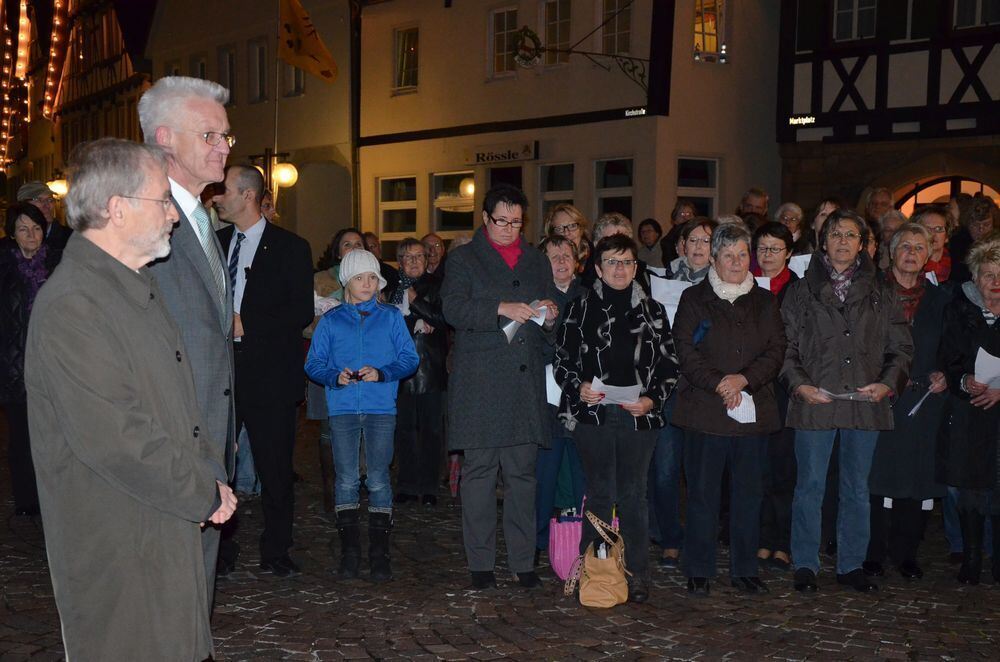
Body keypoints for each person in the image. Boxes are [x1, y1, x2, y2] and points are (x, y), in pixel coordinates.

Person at [25, 137, 237, 659]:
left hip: (162, 531)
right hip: (121, 544)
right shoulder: (74, 304)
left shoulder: (133, 286)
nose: (173, 215)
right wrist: (203, 492)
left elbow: (177, 407)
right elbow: (117, 438)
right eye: (163, 200)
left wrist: (208, 474)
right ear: (117, 209)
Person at [781, 209, 912, 593]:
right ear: (823, 241)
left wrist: (887, 385)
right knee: (809, 486)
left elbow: (901, 347)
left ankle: (851, 563)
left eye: (850, 235)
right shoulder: (801, 290)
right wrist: (800, 386)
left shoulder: (881, 290)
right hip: (814, 399)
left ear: (863, 244)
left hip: (863, 400)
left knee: (856, 487)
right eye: (835, 234)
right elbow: (785, 348)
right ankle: (805, 562)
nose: (842, 241)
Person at [140, 75, 237, 590]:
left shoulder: (199, 216)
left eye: (226, 136)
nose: (223, 146)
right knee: (164, 591)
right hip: (170, 440)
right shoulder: (142, 217)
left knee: (194, 586)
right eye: (209, 136)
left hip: (208, 433)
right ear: (164, 138)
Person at [441, 184, 559, 590]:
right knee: (478, 475)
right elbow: (452, 309)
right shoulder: (463, 259)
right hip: (480, 383)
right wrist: (499, 308)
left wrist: (550, 313)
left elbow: (547, 322)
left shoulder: (536, 260)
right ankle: (481, 563)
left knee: (523, 476)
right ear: (486, 219)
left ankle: (524, 562)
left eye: (517, 223)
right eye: (501, 222)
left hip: (523, 383)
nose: (509, 230)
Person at [554, 234, 678, 603]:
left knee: (633, 494)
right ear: (597, 268)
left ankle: (638, 573)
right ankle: (596, 569)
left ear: (636, 268)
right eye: (612, 262)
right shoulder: (579, 307)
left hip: (638, 416)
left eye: (626, 262)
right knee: (599, 492)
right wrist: (579, 387)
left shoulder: (653, 311)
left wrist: (653, 399)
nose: (620, 269)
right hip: (593, 412)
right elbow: (563, 359)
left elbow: (670, 363)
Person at [671, 224, 786, 595]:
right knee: (703, 494)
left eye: (741, 255)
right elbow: (684, 350)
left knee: (749, 494)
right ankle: (699, 568)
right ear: (714, 259)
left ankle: (745, 568)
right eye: (728, 255)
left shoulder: (765, 301)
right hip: (705, 411)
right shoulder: (693, 299)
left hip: (752, 413)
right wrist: (720, 382)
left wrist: (743, 380)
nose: (736, 262)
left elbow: (776, 350)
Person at [214, 165, 314, 576]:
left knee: (274, 469)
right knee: (218, 466)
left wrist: (247, 324)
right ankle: (218, 550)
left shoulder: (290, 247)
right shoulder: (214, 244)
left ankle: (276, 549)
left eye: (225, 190)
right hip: (222, 373)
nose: (217, 197)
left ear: (248, 196)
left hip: (269, 375)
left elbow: (300, 311)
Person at [306, 249, 418, 581]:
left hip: (381, 408)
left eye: (372, 278)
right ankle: (350, 552)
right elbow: (313, 363)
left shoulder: (391, 317)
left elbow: (409, 359)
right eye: (360, 278)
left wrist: (383, 373)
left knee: (380, 477)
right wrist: (333, 376)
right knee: (346, 479)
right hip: (342, 408)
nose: (367, 284)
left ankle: (379, 553)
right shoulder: (331, 320)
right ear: (346, 283)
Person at [865, 223, 949, 580]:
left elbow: (954, 347)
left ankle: (906, 554)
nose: (912, 253)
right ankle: (872, 552)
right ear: (891, 251)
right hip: (880, 397)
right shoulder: (870, 293)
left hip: (924, 401)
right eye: (905, 246)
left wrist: (947, 372)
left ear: (929, 255)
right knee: (876, 477)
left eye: (920, 247)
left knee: (917, 479)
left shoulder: (943, 299)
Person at [938, 236, 1000, 585]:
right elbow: (949, 354)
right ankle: (972, 557)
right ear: (975, 277)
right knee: (970, 486)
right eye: (987, 274)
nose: (994, 282)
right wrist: (964, 380)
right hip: (970, 408)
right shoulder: (959, 306)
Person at [0, 203, 62, 517]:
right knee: (22, 437)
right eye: (23, 229)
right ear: (12, 234)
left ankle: (53, 493)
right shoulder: (4, 267)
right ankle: (27, 498)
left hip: (51, 363)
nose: (31, 235)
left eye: (36, 228)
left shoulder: (57, 263)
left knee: (52, 434)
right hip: (13, 365)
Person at [534, 235, 587, 563]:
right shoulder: (536, 299)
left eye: (566, 255)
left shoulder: (588, 295)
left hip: (582, 398)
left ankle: (585, 540)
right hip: (549, 400)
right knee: (544, 475)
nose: (562, 261)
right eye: (554, 256)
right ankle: (538, 542)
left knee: (584, 475)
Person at [751, 222, 799, 571]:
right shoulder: (741, 283)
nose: (767, 256)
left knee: (783, 468)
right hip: (750, 387)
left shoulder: (798, 290)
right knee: (755, 469)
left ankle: (781, 540)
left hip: (783, 388)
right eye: (762, 248)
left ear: (789, 254)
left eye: (775, 249)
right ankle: (757, 537)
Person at [389, 238, 449, 507]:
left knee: (431, 431)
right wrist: (416, 320)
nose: (413, 261)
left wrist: (414, 300)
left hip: (430, 369)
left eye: (419, 256)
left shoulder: (438, 286)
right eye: (407, 257)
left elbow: (442, 319)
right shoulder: (390, 289)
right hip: (399, 371)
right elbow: (388, 321)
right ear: (399, 262)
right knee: (404, 429)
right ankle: (407, 484)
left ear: (426, 260)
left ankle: (429, 486)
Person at [949, 196, 998, 284]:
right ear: (967, 224)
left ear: (994, 223)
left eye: (986, 224)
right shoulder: (956, 244)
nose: (981, 230)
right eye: (975, 225)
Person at [17, 180, 72, 249]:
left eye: (50, 200)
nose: (47, 205)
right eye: (39, 200)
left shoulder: (71, 240)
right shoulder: (8, 246)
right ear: (23, 205)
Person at [544, 203, 592, 273]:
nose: (566, 233)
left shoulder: (596, 259)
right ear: (552, 234)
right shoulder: (544, 262)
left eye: (572, 226)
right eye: (559, 228)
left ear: (581, 228)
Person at [913, 204, 952, 283]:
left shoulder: (960, 269)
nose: (933, 234)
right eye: (927, 229)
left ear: (947, 236)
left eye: (938, 229)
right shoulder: (909, 266)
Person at [671, 217, 716, 283]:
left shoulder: (721, 279)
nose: (698, 246)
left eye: (706, 240)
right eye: (693, 240)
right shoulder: (672, 272)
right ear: (684, 245)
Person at [660, 199, 696, 266]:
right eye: (682, 214)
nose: (686, 218)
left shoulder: (699, 236)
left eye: (689, 214)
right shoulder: (668, 241)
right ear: (675, 220)